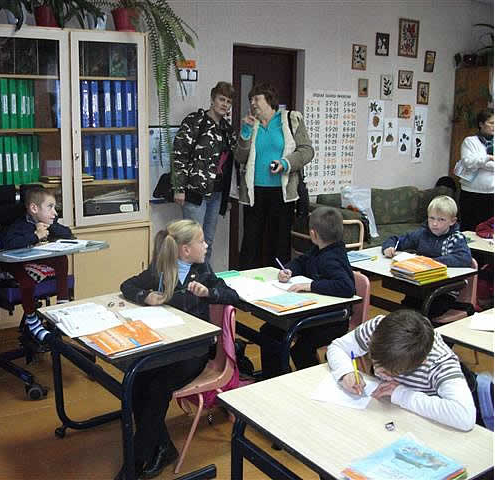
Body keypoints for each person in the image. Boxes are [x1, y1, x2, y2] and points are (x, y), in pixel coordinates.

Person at [118, 219, 239, 479]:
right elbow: (128, 286)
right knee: (137, 380)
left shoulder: (202, 271)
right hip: (166, 346)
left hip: (194, 352)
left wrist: (209, 292)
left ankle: (136, 462)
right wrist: (145, 296)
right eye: (201, 241)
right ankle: (161, 447)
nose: (206, 245)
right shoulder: (161, 268)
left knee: (158, 387)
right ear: (185, 249)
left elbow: (232, 296)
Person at [327, 309, 476, 431]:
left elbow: (464, 417)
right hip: (388, 414)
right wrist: (346, 372)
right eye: (375, 362)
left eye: (388, 373)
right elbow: (337, 346)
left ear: (421, 363)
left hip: (424, 424)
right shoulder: (379, 328)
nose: (378, 372)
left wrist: (401, 394)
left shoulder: (439, 362)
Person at [259, 207, 355, 377]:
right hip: (314, 313)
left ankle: (312, 381)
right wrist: (289, 270)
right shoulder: (319, 250)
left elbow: (346, 287)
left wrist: (310, 286)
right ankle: (275, 377)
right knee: (270, 331)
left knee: (300, 350)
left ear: (313, 234)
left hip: (333, 320)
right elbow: (302, 261)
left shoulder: (332, 257)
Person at [235, 82, 314, 268]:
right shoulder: (251, 125)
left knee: (278, 243)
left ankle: (278, 282)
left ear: (269, 100)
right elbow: (239, 157)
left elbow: (307, 150)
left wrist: (285, 163)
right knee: (251, 243)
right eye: (250, 99)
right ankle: (248, 286)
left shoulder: (289, 120)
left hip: (282, 193)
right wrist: (245, 132)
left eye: (256, 98)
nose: (253, 103)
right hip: (255, 194)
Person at [171, 81, 236, 263]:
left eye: (228, 101)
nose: (225, 104)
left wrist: (228, 197)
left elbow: (233, 160)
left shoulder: (227, 129)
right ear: (212, 99)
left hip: (216, 193)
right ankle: (185, 284)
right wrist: (179, 187)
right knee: (190, 243)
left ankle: (203, 282)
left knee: (207, 242)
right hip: (195, 192)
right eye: (221, 99)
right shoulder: (195, 121)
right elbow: (179, 154)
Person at [2, 185, 74, 343]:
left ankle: (62, 304)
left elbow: (69, 234)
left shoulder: (49, 222)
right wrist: (36, 235)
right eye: (50, 207)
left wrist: (51, 227)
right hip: (17, 264)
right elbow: (9, 244)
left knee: (61, 259)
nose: (54, 212)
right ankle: (31, 319)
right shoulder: (19, 225)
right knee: (27, 282)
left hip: (36, 260)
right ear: (34, 208)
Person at [382, 195, 472, 318]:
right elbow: (396, 239)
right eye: (431, 218)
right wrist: (389, 247)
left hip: (444, 290)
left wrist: (430, 262)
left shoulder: (456, 238)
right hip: (420, 286)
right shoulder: (422, 233)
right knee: (405, 309)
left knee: (427, 311)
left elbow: (464, 258)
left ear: (452, 221)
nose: (435, 224)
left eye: (441, 220)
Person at [457, 108, 494, 231]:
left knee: (488, 230)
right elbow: (468, 163)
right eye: (491, 123)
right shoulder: (470, 142)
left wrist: (481, 162)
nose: (494, 126)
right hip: (471, 194)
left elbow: (476, 162)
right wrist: (488, 158)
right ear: (481, 124)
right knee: (469, 229)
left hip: (491, 194)